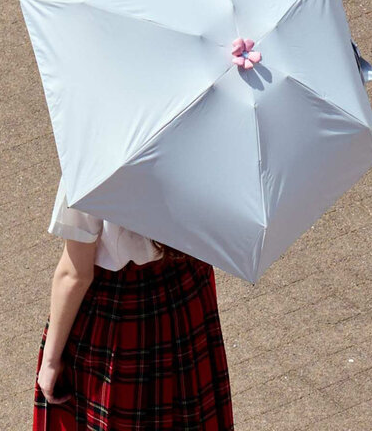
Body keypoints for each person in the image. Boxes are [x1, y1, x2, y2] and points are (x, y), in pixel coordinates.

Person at [32, 176, 235, 430]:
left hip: (121, 311)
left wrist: (50, 362)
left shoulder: (92, 168)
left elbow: (74, 275)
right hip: (185, 292)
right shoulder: (197, 154)